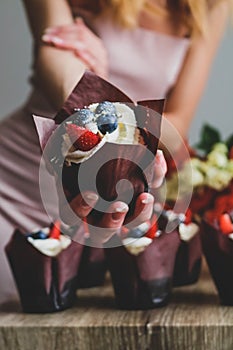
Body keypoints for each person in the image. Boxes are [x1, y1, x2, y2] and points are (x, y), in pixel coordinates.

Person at [0, 0, 230, 307]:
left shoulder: (213, 5)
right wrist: (96, 103)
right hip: (12, 184)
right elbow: (54, 54)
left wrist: (109, 106)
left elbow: (178, 120)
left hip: (98, 203)